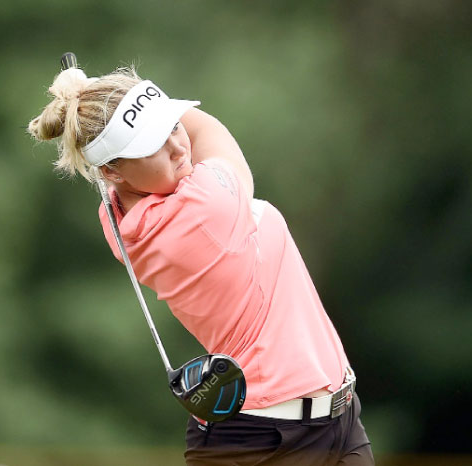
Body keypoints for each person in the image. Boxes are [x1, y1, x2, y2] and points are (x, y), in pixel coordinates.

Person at [28, 63, 374, 466]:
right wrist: (128, 100)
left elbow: (168, 144)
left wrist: (107, 109)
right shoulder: (203, 209)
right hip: (267, 443)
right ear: (111, 170)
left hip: (335, 420)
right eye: (151, 145)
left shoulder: (117, 214)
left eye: (172, 127)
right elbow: (211, 130)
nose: (177, 147)